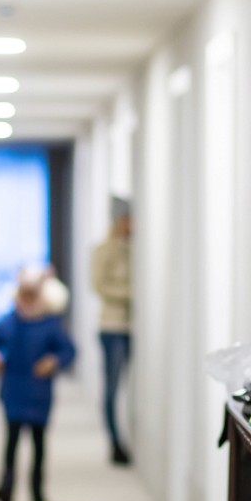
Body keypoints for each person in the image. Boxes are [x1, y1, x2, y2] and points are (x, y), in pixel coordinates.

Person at [0, 266, 75, 501]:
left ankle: (37, 492)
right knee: (11, 444)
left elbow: (68, 350)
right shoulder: (10, 322)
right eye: (24, 293)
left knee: (38, 445)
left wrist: (53, 361)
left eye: (32, 294)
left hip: (39, 394)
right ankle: (7, 488)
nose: (28, 299)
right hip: (13, 390)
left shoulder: (51, 324)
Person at [91, 196, 132, 464]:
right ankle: (114, 440)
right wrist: (131, 294)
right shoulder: (104, 250)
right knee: (112, 387)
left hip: (131, 326)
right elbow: (99, 285)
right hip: (112, 325)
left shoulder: (134, 249)